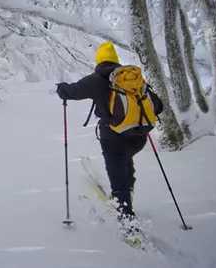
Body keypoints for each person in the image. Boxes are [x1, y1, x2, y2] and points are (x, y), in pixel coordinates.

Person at [55, 41, 163, 225]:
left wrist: (61, 88)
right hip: (139, 137)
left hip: (113, 138)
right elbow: (158, 106)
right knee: (126, 164)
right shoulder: (133, 78)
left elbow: (71, 92)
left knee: (118, 177)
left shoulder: (95, 80)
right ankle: (127, 195)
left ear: (99, 60)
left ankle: (127, 221)